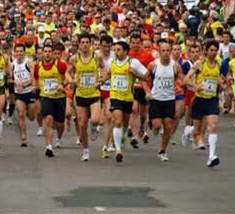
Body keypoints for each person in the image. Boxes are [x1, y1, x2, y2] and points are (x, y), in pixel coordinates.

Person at [102, 41, 148, 162]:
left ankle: (121, 139)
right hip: (115, 96)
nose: (116, 52)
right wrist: (100, 81)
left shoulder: (133, 63)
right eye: (115, 50)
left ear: (125, 51)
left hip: (128, 98)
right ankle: (118, 150)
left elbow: (146, 76)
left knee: (124, 122)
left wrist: (136, 74)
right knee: (117, 120)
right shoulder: (111, 62)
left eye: (118, 50)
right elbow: (108, 74)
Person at [186, 39, 226, 167]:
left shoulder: (218, 65)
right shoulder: (200, 63)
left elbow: (219, 81)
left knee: (212, 126)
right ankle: (188, 131)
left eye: (215, 50)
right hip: (199, 100)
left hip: (212, 100)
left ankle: (212, 156)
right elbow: (186, 79)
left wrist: (226, 84)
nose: (213, 53)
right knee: (197, 131)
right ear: (206, 51)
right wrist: (196, 86)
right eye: (211, 50)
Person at [144, 40, 185, 162]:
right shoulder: (153, 65)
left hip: (169, 99)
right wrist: (147, 91)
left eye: (168, 50)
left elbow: (182, 79)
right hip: (156, 99)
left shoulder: (175, 66)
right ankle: (153, 126)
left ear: (171, 52)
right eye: (163, 51)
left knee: (168, 126)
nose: (166, 53)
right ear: (159, 52)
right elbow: (145, 79)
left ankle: (163, 150)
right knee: (156, 126)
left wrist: (189, 85)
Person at [66, 33, 103, 161]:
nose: (85, 44)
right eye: (83, 42)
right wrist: (71, 80)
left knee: (95, 120)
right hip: (80, 94)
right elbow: (67, 72)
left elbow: (104, 70)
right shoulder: (74, 59)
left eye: (87, 42)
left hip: (94, 93)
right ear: (79, 45)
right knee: (82, 125)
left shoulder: (96, 57)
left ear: (90, 44)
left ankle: (94, 128)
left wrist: (101, 80)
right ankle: (86, 150)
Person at [33, 44, 67, 158]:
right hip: (45, 96)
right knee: (48, 120)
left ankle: (59, 138)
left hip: (59, 97)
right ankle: (49, 146)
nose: (47, 53)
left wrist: (63, 84)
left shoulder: (60, 65)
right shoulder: (38, 66)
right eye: (45, 51)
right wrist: (35, 86)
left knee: (60, 123)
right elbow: (36, 78)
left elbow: (67, 76)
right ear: (42, 53)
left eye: (49, 51)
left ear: (52, 53)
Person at [10, 43, 37, 147]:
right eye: (17, 51)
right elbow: (9, 78)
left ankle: (28, 111)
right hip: (19, 93)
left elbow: (34, 77)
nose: (19, 53)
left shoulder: (29, 63)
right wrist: (16, 82)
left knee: (31, 117)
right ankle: (23, 136)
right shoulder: (12, 64)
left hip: (29, 92)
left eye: (21, 51)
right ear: (15, 53)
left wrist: (26, 84)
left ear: (24, 52)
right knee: (21, 114)